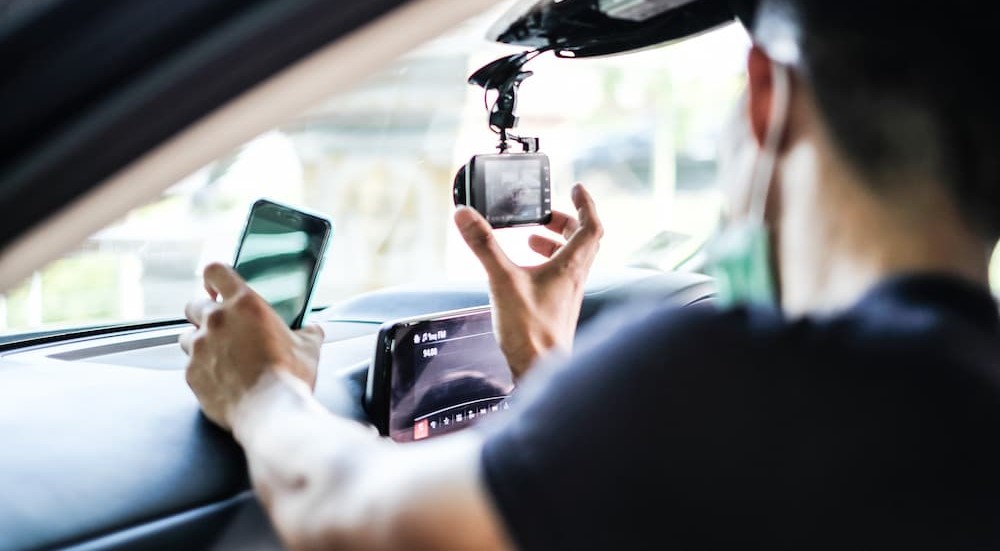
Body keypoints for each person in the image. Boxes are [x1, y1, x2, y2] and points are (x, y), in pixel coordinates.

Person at [180, 0, 1000, 548]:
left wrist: (260, 388)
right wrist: (546, 362)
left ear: (768, 98)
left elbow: (357, 518)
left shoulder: (734, 380)